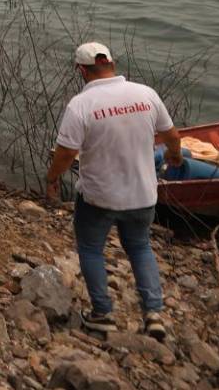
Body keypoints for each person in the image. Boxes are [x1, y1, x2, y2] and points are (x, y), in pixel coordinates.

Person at [43, 42, 183, 341]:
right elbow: (172, 135)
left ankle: (103, 314)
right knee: (140, 247)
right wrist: (175, 155)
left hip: (99, 197)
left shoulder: (81, 105)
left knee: (91, 249)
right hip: (142, 195)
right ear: (112, 63)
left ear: (81, 70)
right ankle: (153, 314)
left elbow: (66, 153)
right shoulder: (145, 94)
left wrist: (52, 178)